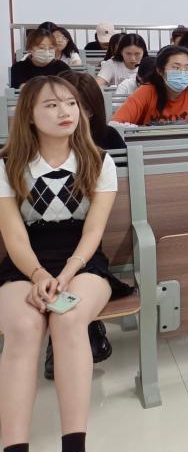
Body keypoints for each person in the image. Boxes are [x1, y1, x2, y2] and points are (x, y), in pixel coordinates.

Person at [0, 77, 135, 452]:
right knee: (23, 327)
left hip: (83, 262)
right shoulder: (6, 164)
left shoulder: (99, 160)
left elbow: (94, 231)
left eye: (71, 104)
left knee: (69, 318)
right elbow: (14, 236)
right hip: (26, 264)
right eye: (51, 105)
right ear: (28, 115)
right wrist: (39, 274)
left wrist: (67, 273)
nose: (65, 113)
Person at [50, 72, 127, 380]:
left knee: (81, 264)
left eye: (82, 107)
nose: (71, 114)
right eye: (61, 104)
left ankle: (77, 328)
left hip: (100, 230)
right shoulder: (37, 147)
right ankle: (71, 331)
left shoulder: (107, 140)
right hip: (48, 241)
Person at [111, 46, 188, 126]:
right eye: (176, 67)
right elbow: (116, 123)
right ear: (160, 71)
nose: (182, 72)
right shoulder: (147, 90)